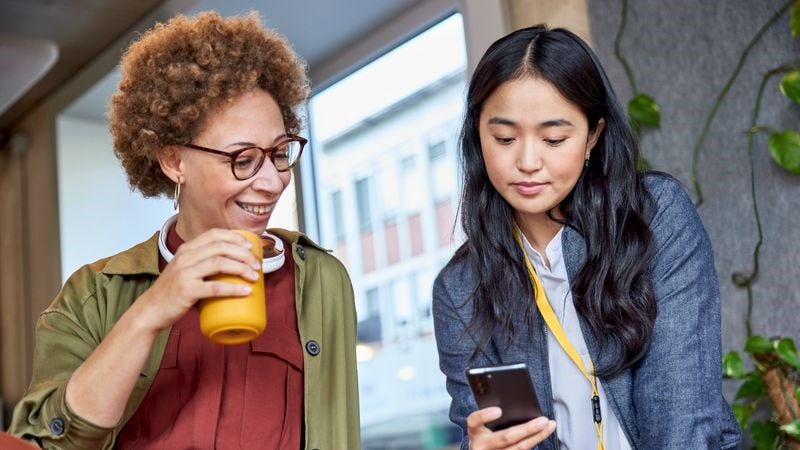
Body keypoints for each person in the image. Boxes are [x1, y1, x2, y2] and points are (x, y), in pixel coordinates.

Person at [9, 11, 359, 450]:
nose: (272, 181)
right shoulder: (90, 297)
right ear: (174, 161)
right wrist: (149, 313)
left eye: (279, 152)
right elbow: (44, 443)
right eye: (243, 159)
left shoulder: (322, 281)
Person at [432, 25, 741, 450]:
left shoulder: (653, 217)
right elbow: (485, 429)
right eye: (503, 138)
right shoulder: (460, 288)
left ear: (593, 135)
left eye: (554, 138)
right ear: (477, 137)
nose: (526, 161)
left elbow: (683, 418)